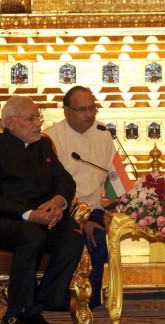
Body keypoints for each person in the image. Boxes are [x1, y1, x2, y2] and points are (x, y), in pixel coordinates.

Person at [0, 96, 84, 324]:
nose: (38, 123)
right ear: (10, 122)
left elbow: (65, 179)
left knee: (71, 241)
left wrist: (58, 202)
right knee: (31, 236)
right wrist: (30, 215)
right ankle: (12, 315)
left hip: (40, 220)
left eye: (38, 117)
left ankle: (33, 310)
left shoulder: (42, 145)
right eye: (30, 118)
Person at [44, 85, 116, 308]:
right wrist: (79, 218)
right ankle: (65, 300)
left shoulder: (103, 134)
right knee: (82, 238)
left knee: (100, 238)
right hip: (63, 211)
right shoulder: (51, 138)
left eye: (92, 108)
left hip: (95, 209)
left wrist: (111, 209)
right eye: (82, 109)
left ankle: (90, 301)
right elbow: (49, 186)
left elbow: (113, 178)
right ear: (66, 111)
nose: (89, 115)